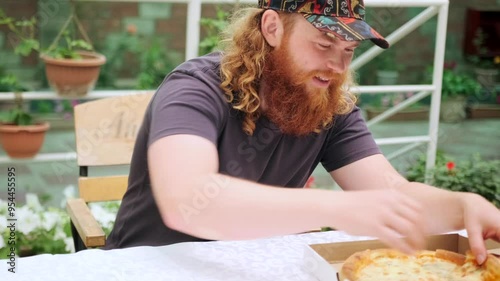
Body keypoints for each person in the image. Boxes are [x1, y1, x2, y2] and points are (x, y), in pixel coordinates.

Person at [105, 0, 500, 265]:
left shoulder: (329, 105)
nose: (337, 66)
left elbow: (390, 192)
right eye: (325, 43)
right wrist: (336, 208)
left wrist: (463, 206)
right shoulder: (196, 87)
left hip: (242, 267)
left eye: (348, 51)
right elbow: (187, 200)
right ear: (272, 27)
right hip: (146, 266)